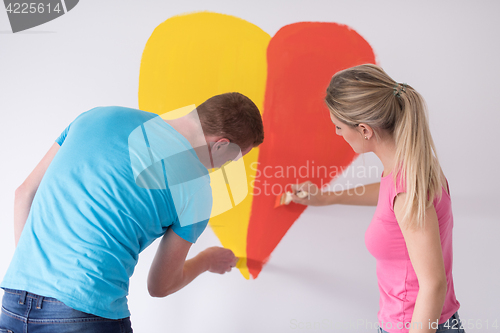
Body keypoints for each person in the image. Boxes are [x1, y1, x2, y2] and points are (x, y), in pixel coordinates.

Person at [0, 92, 264, 332]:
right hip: (86, 312)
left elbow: (24, 193)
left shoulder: (96, 116)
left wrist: (33, 274)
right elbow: (160, 286)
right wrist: (207, 259)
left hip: (14, 302)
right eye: (233, 158)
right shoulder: (197, 189)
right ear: (220, 145)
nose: (227, 165)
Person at [291, 64, 465, 333]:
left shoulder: (408, 189)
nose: (337, 134)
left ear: (364, 130)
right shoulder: (413, 167)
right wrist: (326, 198)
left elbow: (433, 284)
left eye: (338, 127)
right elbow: (388, 195)